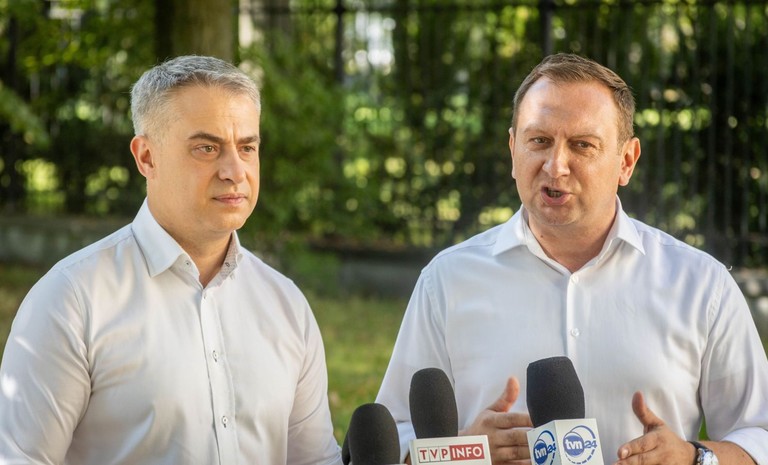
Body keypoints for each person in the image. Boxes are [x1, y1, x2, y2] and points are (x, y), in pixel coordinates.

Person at [375, 53, 768, 465]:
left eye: (582, 145)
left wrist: (693, 457)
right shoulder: (447, 280)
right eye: (539, 141)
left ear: (626, 161)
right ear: (513, 149)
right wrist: (464, 452)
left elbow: (759, 434)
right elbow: (392, 438)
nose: (556, 165)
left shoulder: (700, 284)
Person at [0, 55, 342, 464]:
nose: (235, 171)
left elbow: (315, 460)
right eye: (207, 148)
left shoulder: (286, 305)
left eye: (247, 147)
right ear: (147, 157)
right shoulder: (71, 300)